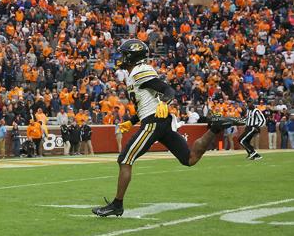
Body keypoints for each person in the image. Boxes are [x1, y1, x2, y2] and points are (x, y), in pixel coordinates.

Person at [93, 39, 244, 217]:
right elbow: (146, 102)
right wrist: (132, 121)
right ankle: (215, 128)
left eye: (124, 54)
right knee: (189, 159)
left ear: (132, 56)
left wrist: (165, 101)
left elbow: (168, 90)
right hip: (159, 121)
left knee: (124, 160)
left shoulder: (140, 71)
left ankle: (117, 205)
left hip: (154, 122)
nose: (121, 57)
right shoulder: (133, 74)